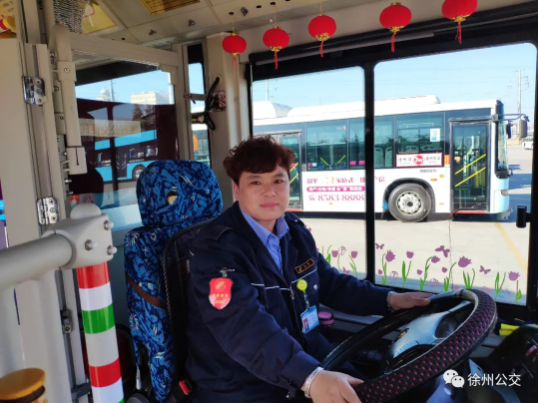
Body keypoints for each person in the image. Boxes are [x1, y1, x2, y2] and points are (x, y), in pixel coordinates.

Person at [186, 136, 432, 403]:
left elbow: (328, 282)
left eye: (278, 181)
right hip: (242, 382)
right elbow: (242, 326)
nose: (270, 192)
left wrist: (390, 299)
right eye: (256, 182)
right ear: (237, 190)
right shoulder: (215, 248)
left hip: (308, 356)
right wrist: (309, 377)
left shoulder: (294, 231)